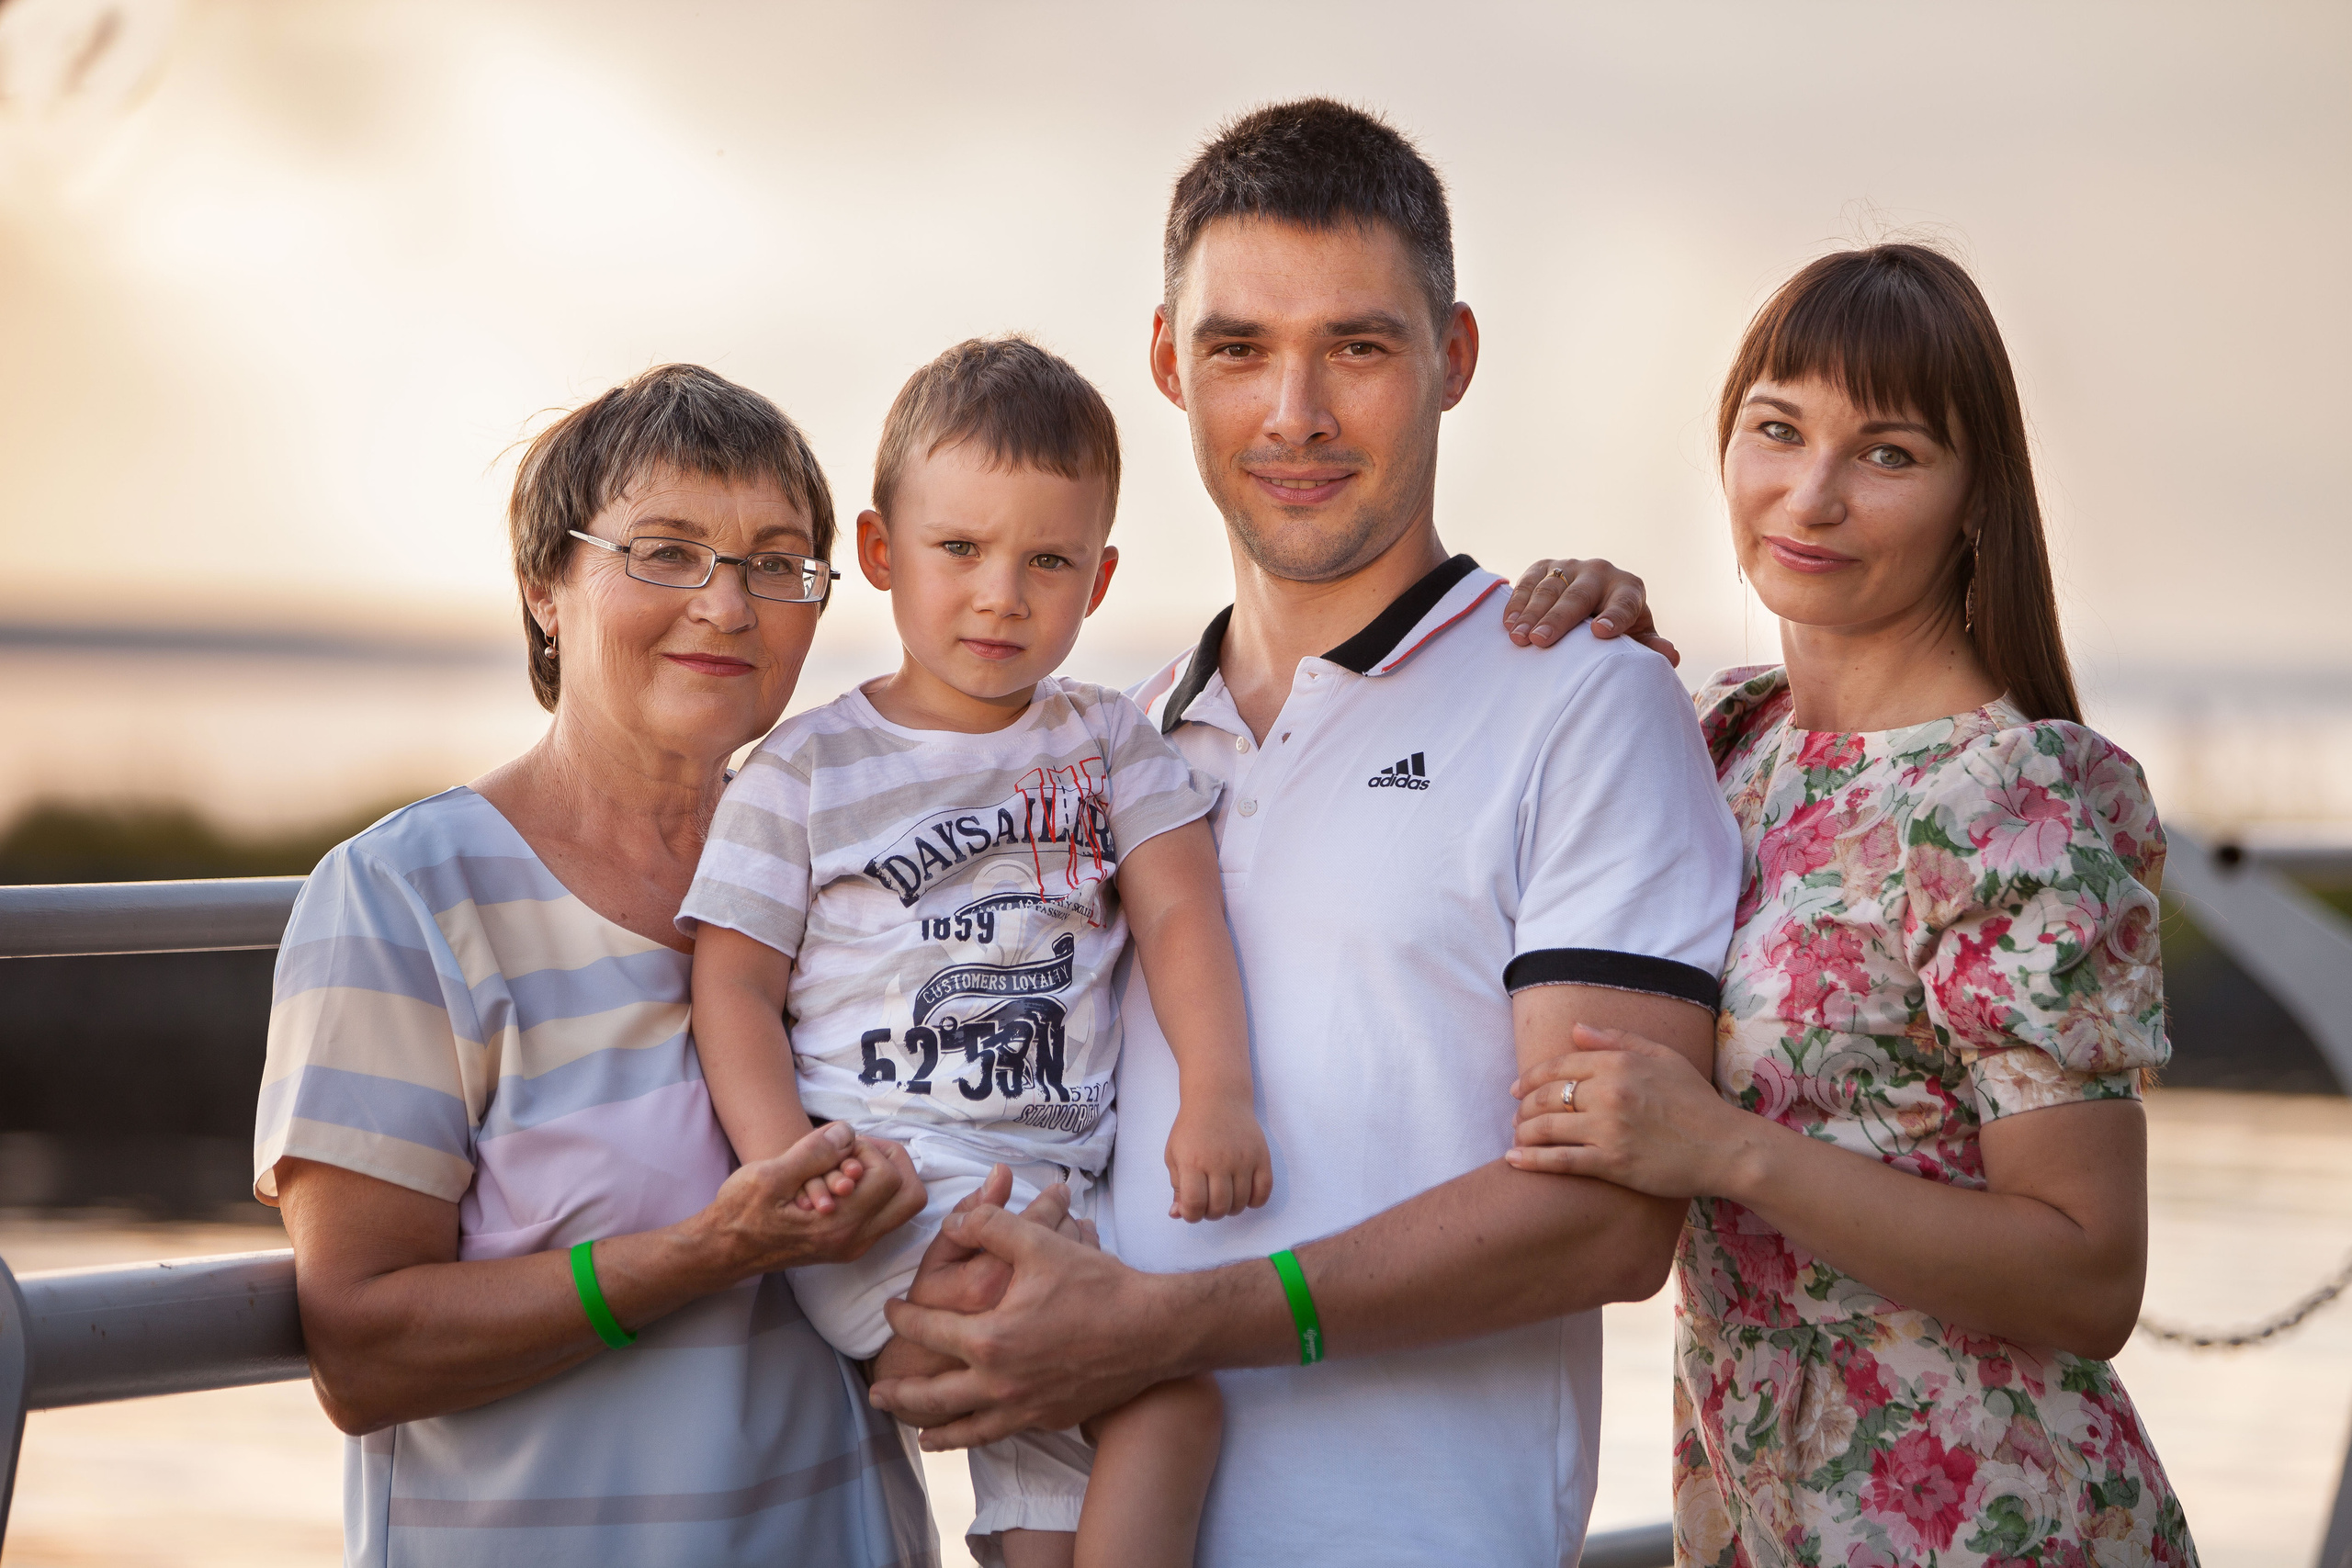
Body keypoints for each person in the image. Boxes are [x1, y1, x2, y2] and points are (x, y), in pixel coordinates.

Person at [866, 99, 1744, 1566]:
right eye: (1239, 350)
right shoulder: (1105, 745)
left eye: (1358, 347)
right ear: (1169, 363)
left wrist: (1171, 1326)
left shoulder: (1583, 704)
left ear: (1455, 356)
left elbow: (1610, 1224)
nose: (1296, 415)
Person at [1507, 245, 2199, 1567]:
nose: (1811, 496)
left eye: (1887, 454)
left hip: (1992, 1525)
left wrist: (1725, 1149)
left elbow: (2089, 1275)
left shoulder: (2013, 802)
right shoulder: (1725, 740)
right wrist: (1582, 668)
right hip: (1766, 1512)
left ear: (1975, 498)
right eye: (1778, 430)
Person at [253, 365, 948, 1566]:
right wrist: (713, 1251)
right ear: (545, 588)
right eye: (666, 553)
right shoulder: (407, 895)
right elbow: (362, 1352)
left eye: (776, 563)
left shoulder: (857, 873)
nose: (727, 606)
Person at [681, 337, 1265, 1568]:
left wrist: (1216, 1096)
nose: (1003, 595)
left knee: (1048, 1521)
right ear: (881, 551)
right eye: (960, 549)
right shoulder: (805, 768)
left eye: (1048, 561)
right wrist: (790, 1173)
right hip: (890, 1201)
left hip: (1061, 1198)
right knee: (1170, 1396)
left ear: (1098, 580)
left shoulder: (1108, 741)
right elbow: (731, 981)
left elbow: (1181, 916)